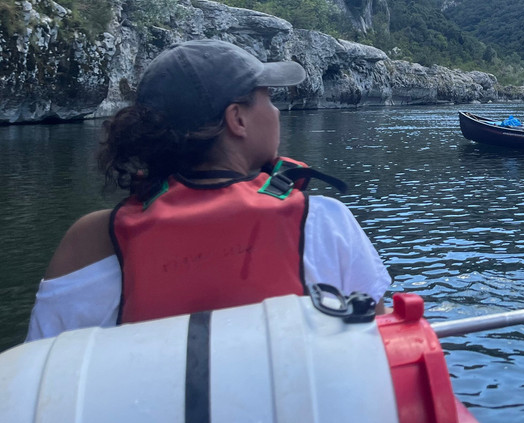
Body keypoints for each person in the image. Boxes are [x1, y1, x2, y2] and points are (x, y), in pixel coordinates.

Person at [25, 39, 390, 341]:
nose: (277, 112)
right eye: (269, 98)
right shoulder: (324, 221)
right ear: (237, 119)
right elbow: (380, 342)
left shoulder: (87, 242)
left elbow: (42, 370)